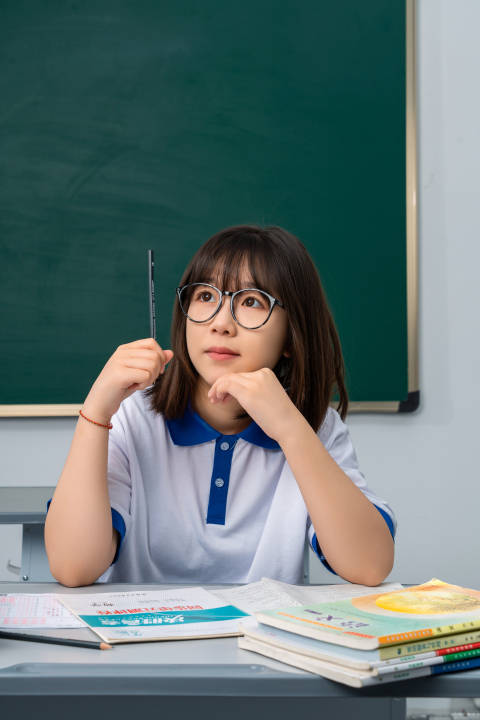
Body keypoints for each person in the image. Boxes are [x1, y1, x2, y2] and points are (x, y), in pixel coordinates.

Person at [45, 225, 396, 588]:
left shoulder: (313, 428)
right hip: (144, 641)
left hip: (257, 642)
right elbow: (73, 567)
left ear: (292, 336)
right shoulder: (134, 418)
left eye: (251, 301)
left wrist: (291, 431)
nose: (221, 323)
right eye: (206, 296)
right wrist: (96, 413)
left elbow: (368, 566)